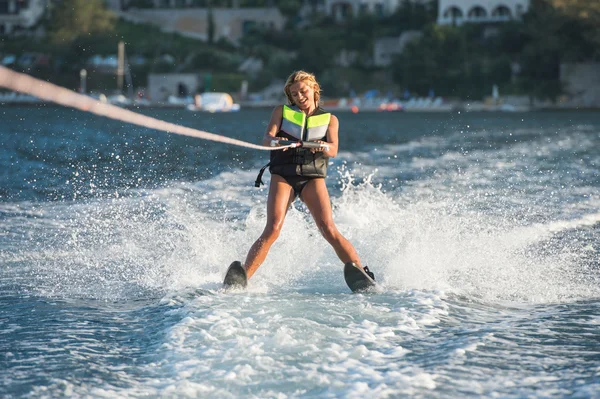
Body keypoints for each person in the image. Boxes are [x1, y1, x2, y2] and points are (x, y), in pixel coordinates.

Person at [244, 70, 374, 281]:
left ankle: (361, 273)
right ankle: (244, 275)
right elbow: (266, 139)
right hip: (283, 176)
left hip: (312, 178)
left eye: (303, 91)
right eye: (294, 94)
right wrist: (278, 142)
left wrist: (322, 146)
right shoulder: (281, 112)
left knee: (328, 229)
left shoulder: (330, 120)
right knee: (273, 229)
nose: (300, 97)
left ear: (314, 89)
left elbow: (333, 150)